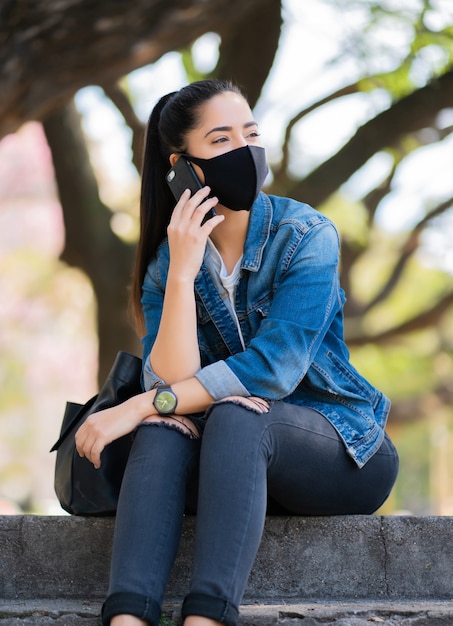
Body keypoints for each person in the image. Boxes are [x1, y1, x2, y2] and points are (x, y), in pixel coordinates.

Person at [75, 79, 399, 626]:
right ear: (185, 169)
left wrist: (134, 406)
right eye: (222, 140)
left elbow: (273, 369)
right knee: (167, 424)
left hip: (341, 451)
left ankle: (207, 618)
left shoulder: (306, 234)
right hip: (230, 467)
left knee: (221, 412)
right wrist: (182, 272)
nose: (246, 151)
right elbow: (170, 381)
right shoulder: (165, 265)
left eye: (251, 133)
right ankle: (127, 617)